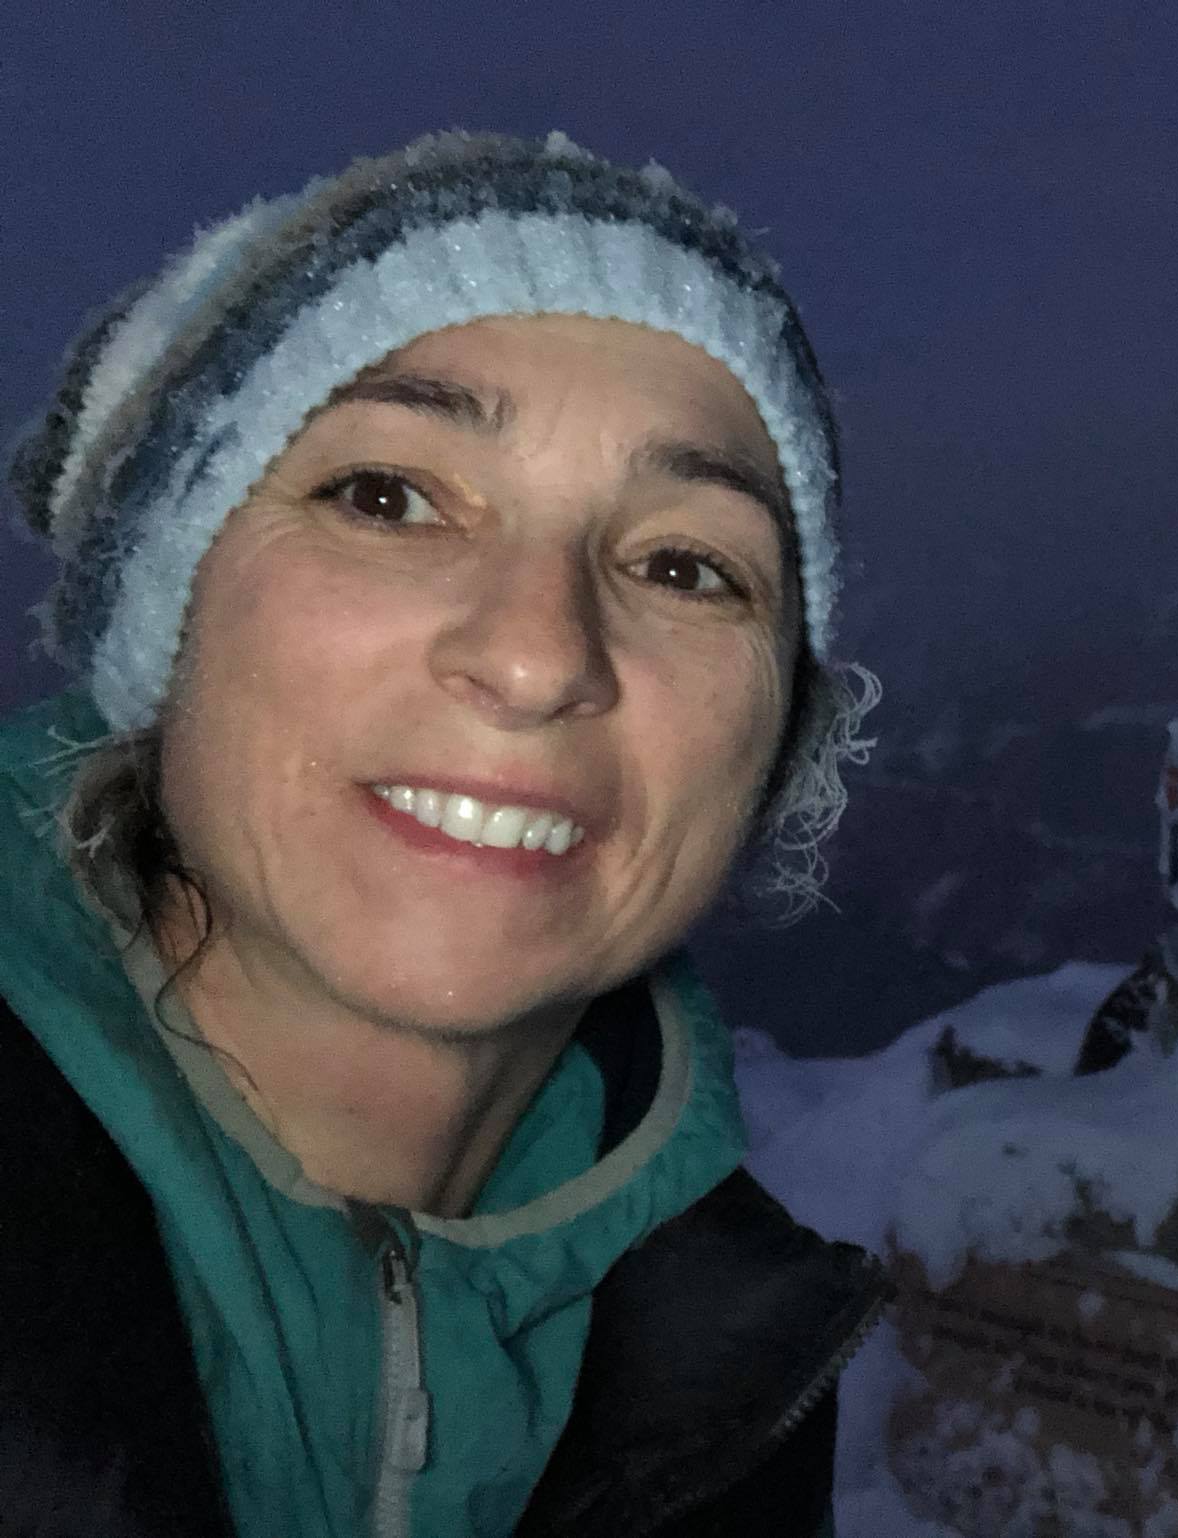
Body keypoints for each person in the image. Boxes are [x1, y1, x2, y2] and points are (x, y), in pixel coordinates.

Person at [0, 130, 887, 1538]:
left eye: (682, 565)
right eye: (388, 497)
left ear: (774, 745)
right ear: (163, 618)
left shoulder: (730, 1371)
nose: (538, 656)